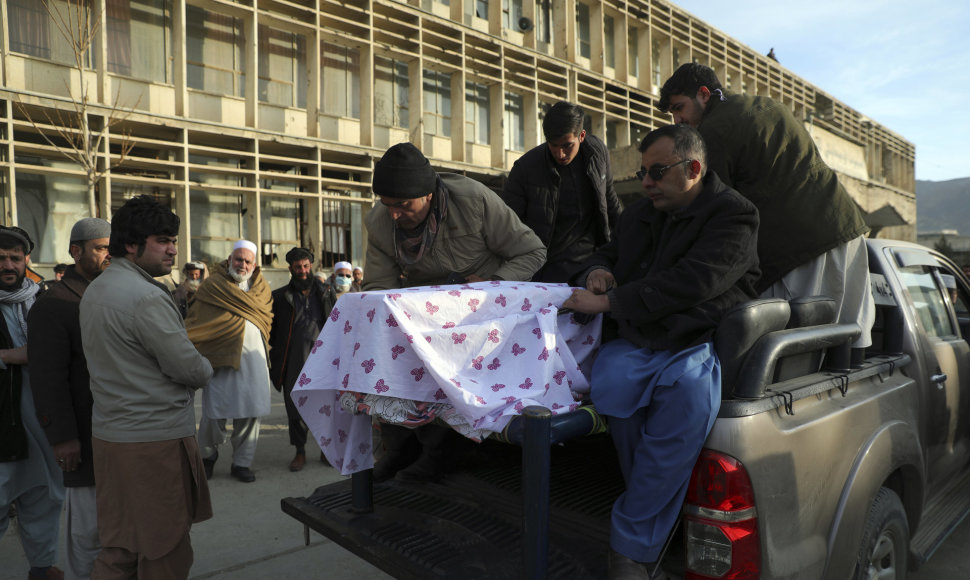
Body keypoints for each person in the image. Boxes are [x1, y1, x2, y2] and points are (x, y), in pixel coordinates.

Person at [562, 125, 760, 580]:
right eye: (642, 171)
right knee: (611, 384)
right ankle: (654, 519)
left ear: (693, 169)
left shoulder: (735, 215)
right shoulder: (639, 214)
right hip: (636, 339)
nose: (646, 181)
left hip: (696, 341)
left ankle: (631, 548)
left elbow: (695, 282)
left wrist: (608, 302)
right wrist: (598, 272)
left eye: (656, 171)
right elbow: (608, 253)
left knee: (685, 396)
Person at [363, 142, 546, 483]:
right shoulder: (379, 221)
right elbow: (377, 291)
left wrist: (491, 285)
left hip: (485, 315)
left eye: (403, 205)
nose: (394, 215)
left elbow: (532, 252)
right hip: (423, 318)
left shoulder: (473, 200)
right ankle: (399, 447)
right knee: (381, 343)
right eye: (388, 205)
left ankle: (439, 453)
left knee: (452, 368)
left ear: (429, 195)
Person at [658, 62, 874, 350]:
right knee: (850, 334)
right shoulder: (768, 105)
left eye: (679, 108)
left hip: (799, 251)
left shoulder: (713, 132)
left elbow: (714, 212)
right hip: (846, 230)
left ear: (704, 94)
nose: (678, 120)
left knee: (801, 349)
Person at [79, 195, 214, 579]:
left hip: (112, 435)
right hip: (152, 441)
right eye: (162, 240)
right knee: (164, 549)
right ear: (132, 245)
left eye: (173, 239)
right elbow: (190, 368)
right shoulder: (145, 297)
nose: (173, 249)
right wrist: (205, 363)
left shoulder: (99, 288)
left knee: (120, 547)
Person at [28, 218, 111, 580]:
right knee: (88, 534)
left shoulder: (115, 294)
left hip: (118, 434)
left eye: (113, 247)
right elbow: (48, 379)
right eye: (100, 248)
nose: (109, 255)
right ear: (76, 252)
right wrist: (63, 437)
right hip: (82, 437)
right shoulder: (54, 304)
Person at [0, 226, 65, 580]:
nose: (7, 265)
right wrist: (11, 356)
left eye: (14, 257)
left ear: (26, 260)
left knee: (45, 494)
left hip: (42, 419)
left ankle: (42, 565)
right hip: (2, 421)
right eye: (0, 258)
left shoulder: (43, 300)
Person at [501, 101, 620, 283]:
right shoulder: (525, 169)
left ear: (581, 136)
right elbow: (508, 228)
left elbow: (611, 204)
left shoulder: (597, 153)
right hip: (545, 268)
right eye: (553, 145)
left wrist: (628, 243)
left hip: (593, 262)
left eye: (567, 146)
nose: (560, 153)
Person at [186, 240, 273, 483]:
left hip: (253, 364)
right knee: (213, 415)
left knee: (250, 414)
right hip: (220, 362)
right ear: (230, 259)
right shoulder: (213, 285)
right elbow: (197, 321)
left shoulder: (262, 289)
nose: (242, 264)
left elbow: (266, 319)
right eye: (238, 259)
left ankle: (241, 463)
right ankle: (207, 457)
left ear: (254, 265)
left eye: (247, 261)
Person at [269, 248, 336, 472]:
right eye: (298, 267)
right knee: (295, 406)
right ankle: (300, 451)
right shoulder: (280, 296)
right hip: (294, 360)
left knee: (324, 406)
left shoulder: (326, 292)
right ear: (290, 269)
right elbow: (274, 331)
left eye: (306, 266)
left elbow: (336, 324)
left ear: (311, 266)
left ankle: (326, 450)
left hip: (322, 361)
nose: (303, 271)